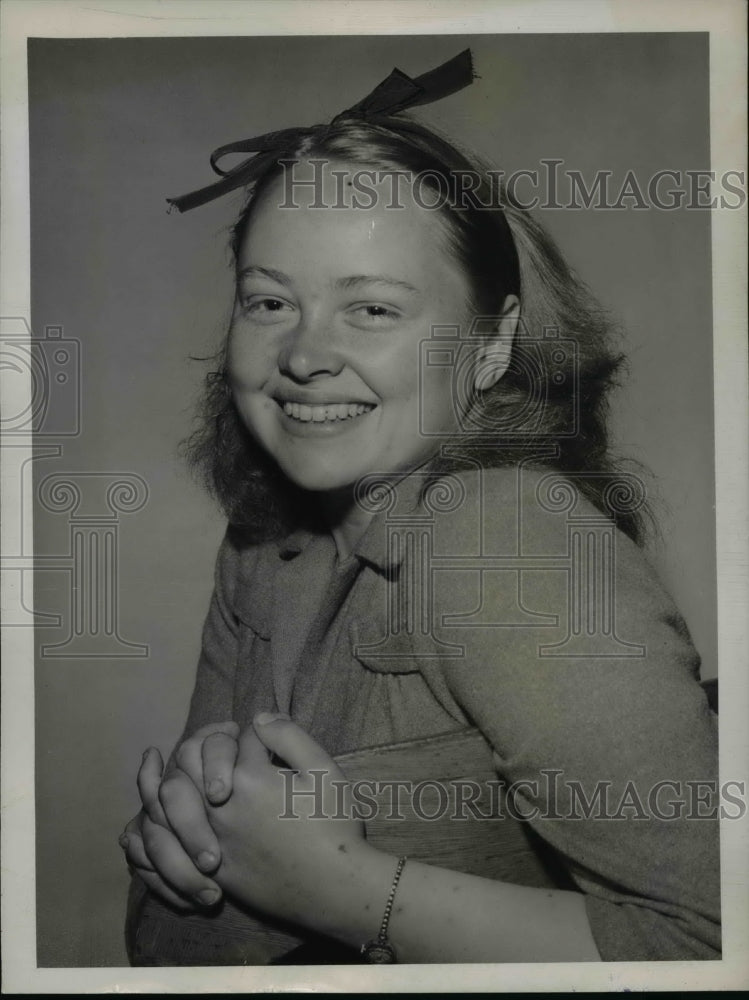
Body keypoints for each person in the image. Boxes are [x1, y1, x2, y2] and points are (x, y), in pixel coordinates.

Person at [119, 50, 720, 965]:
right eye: (270, 301)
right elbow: (218, 848)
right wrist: (179, 832)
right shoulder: (261, 544)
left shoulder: (510, 542)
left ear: (491, 344)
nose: (305, 354)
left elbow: (711, 943)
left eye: (372, 311)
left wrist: (348, 893)